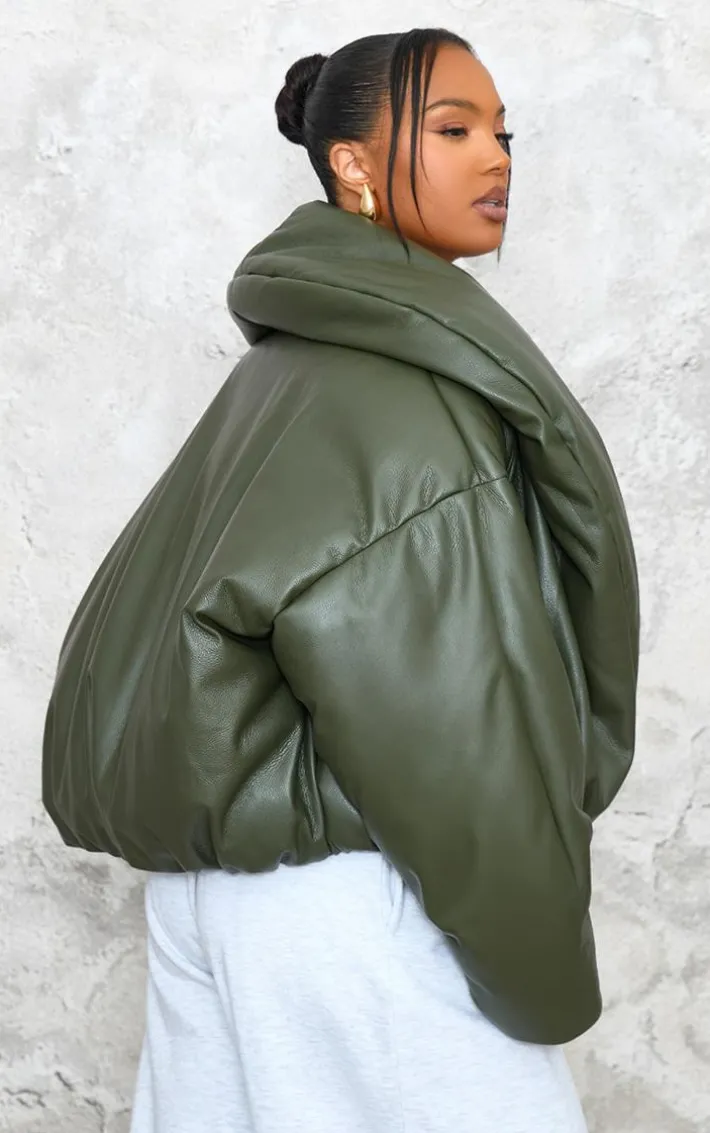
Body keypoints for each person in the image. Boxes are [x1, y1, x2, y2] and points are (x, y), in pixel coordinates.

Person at [42, 26, 640, 1133]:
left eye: (502, 134)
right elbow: (456, 737)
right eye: (451, 129)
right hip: (350, 915)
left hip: (213, 903)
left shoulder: (282, 372)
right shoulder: (407, 397)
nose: (495, 158)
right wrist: (538, 970)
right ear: (351, 164)